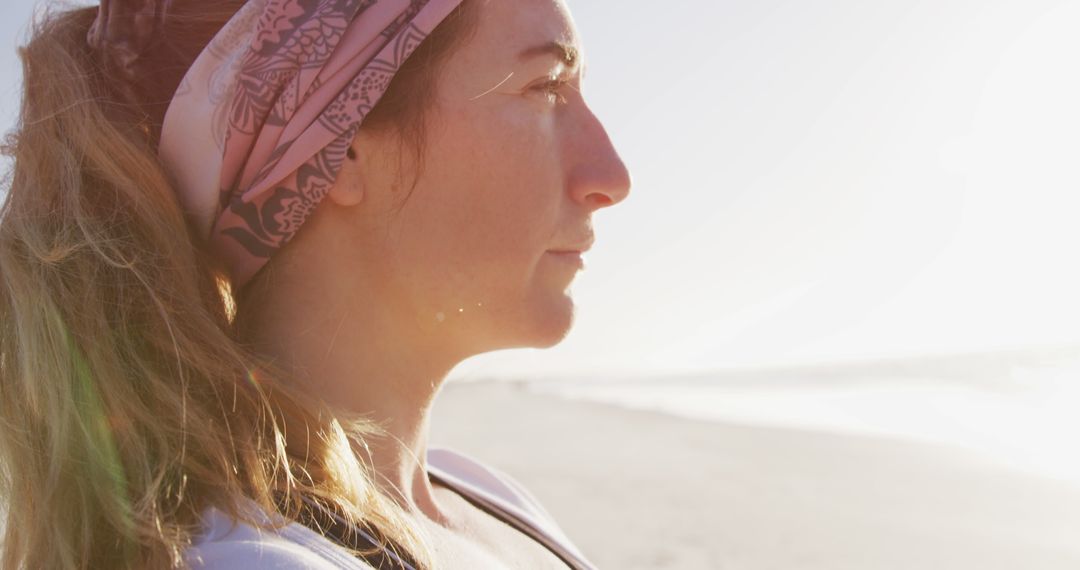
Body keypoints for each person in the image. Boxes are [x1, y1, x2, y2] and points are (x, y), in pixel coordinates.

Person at [0, 0, 630, 567]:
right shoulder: (260, 562)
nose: (611, 175)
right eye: (545, 87)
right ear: (340, 147)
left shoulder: (483, 494)